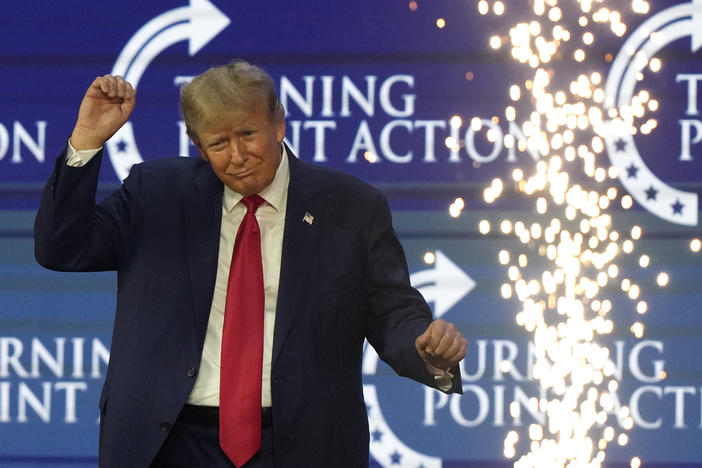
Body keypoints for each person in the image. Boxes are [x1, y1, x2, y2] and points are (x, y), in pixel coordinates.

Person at [35, 61, 467, 468]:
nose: (237, 155)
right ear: (198, 146)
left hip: (302, 443)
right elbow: (62, 249)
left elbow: (391, 310)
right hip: (166, 442)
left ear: (279, 125)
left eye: (248, 134)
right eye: (219, 143)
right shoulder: (156, 194)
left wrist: (423, 345)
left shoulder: (349, 207)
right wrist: (87, 139)